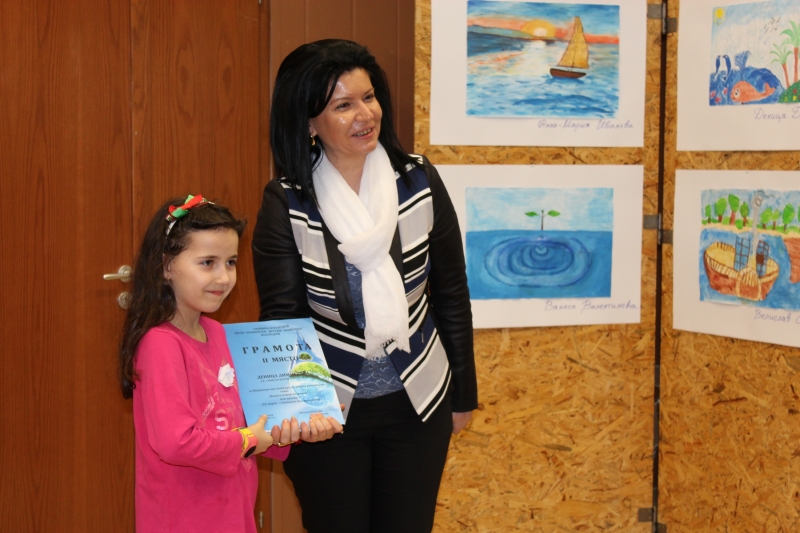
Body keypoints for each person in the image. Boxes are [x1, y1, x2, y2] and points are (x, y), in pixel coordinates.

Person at [252, 39, 478, 533]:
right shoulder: (287, 201)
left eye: (369, 97)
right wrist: (292, 413)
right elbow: (282, 317)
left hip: (418, 400)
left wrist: (463, 395)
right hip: (326, 413)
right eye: (343, 105)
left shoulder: (418, 180)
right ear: (309, 123)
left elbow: (451, 293)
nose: (365, 114)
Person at [118, 194, 342, 533]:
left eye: (231, 262)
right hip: (184, 521)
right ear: (166, 266)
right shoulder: (160, 344)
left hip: (233, 513)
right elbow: (176, 442)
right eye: (208, 262)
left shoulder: (218, 333)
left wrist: (298, 425)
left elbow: (242, 422)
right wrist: (248, 440)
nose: (223, 277)